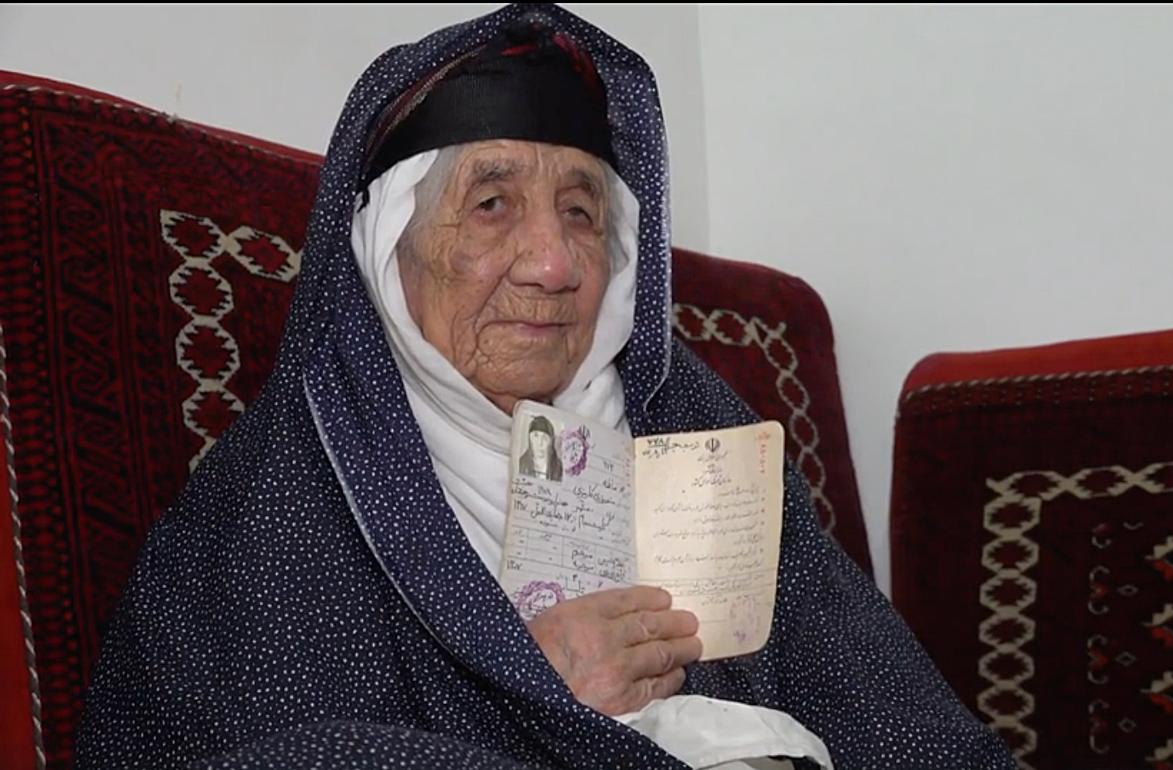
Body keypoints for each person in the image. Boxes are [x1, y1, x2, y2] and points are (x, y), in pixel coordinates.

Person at [75, 5, 1017, 769]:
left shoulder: (683, 412)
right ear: (390, 244)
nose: (554, 263)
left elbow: (874, 691)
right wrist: (534, 691)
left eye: (580, 211)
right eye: (491, 206)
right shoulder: (288, 484)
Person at [518, 416, 563, 482]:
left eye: (544, 438)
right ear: (529, 439)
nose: (540, 443)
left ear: (551, 441)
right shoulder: (521, 463)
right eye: (535, 436)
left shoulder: (558, 467)